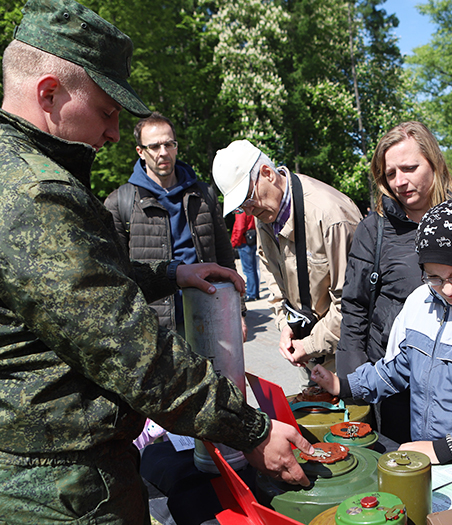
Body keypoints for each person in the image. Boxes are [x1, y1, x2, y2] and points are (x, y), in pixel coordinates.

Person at [0, 1, 312, 525]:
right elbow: (131, 349)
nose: (112, 133)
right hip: (67, 479)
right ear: (50, 92)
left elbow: (77, 279)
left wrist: (173, 275)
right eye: (105, 111)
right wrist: (252, 430)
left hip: (36, 463)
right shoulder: (35, 193)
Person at [313, 199, 452, 486]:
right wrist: (344, 385)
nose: (446, 288)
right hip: (425, 460)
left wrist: (442, 449)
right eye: (433, 276)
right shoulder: (420, 301)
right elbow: (397, 369)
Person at [337, 121, 452, 443]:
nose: (400, 182)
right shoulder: (372, 231)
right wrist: (354, 387)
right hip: (392, 387)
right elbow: (354, 311)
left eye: (409, 168)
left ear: (434, 162)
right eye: (390, 174)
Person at [212, 140, 362, 381]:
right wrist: (285, 325)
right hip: (312, 355)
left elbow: (353, 304)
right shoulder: (266, 214)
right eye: (241, 207)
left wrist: (310, 345)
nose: (249, 212)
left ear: (267, 174)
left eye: (248, 199)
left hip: (348, 359)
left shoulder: (330, 217)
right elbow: (274, 279)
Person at [105, 112, 244, 338]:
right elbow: (115, 274)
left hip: (209, 314)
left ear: (176, 147)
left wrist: (238, 312)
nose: (163, 153)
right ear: (140, 152)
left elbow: (224, 256)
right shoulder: (120, 202)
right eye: (154, 146)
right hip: (154, 327)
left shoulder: (203, 194)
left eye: (169, 144)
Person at [231, 210, 260, 301]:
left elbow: (240, 227)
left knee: (248, 270)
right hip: (252, 238)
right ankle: (255, 292)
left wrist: (234, 243)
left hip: (243, 242)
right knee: (253, 269)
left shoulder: (240, 211)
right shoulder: (250, 209)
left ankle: (251, 293)